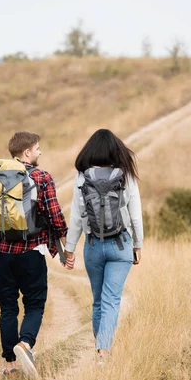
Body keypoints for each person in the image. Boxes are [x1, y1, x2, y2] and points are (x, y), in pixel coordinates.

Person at [0, 131, 68, 379]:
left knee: (7, 310)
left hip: (2, 257)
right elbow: (55, 218)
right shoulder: (41, 177)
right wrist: (63, 248)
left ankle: (10, 367)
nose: (40, 152)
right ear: (27, 152)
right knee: (34, 305)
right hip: (31, 254)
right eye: (38, 148)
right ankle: (25, 345)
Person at [63, 128, 143, 365]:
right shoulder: (125, 175)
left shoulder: (82, 177)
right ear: (116, 150)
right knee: (111, 300)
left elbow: (76, 217)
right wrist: (138, 244)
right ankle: (103, 352)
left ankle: (101, 350)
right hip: (121, 245)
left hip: (92, 246)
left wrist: (69, 248)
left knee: (98, 300)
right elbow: (135, 215)